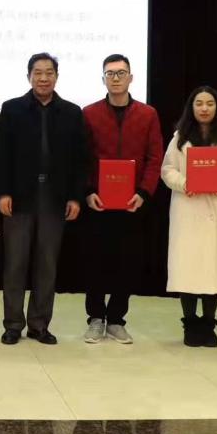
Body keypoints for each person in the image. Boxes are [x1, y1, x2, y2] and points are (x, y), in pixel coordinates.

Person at [0, 53, 86, 345]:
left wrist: (75, 197)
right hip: (19, 196)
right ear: (29, 76)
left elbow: (79, 161)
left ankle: (39, 324)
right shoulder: (12, 109)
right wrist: (3, 192)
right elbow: (1, 154)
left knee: (47, 264)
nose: (43, 78)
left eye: (49, 72)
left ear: (57, 77)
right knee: (15, 263)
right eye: (38, 72)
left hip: (54, 198)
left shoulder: (72, 112)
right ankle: (13, 324)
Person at [81, 54, 163, 344]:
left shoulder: (147, 114)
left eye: (121, 73)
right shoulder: (89, 113)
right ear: (103, 79)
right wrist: (87, 191)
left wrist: (144, 193)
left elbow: (155, 157)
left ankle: (116, 319)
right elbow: (82, 158)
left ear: (131, 77)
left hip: (132, 203)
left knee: (127, 263)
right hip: (98, 202)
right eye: (110, 73)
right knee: (95, 262)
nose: (115, 78)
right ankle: (95, 318)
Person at [161, 86, 217, 347]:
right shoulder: (180, 137)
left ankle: (209, 324)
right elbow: (167, 169)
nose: (204, 108)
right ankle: (190, 324)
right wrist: (184, 183)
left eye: (209, 103)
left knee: (215, 269)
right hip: (188, 209)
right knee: (187, 268)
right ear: (191, 107)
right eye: (198, 103)